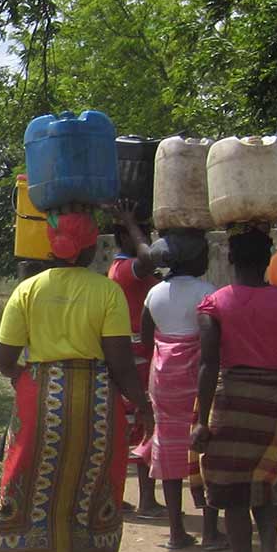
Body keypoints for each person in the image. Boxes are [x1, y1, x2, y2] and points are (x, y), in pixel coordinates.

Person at [0, 209, 152, 552]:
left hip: (42, 400)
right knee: (101, 490)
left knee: (50, 500)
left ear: (50, 246)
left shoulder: (28, 290)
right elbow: (121, 364)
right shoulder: (107, 292)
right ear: (90, 249)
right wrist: (144, 405)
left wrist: (29, 381)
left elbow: (4, 359)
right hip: (96, 400)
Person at [192, 229, 277, 552]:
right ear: (267, 261)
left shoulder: (215, 304)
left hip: (232, 398)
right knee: (265, 484)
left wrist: (202, 420)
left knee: (232, 495)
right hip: (273, 399)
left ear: (230, 258)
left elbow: (208, 365)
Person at [136, 230, 216, 550]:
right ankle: (211, 531)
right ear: (193, 260)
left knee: (168, 449)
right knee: (205, 450)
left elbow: (146, 337)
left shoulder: (154, 293)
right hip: (198, 380)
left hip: (163, 379)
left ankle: (176, 531)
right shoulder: (208, 291)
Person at [110, 206, 163, 517]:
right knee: (139, 427)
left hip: (141, 357)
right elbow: (149, 259)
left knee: (139, 428)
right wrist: (131, 222)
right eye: (141, 234)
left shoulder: (126, 269)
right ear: (123, 236)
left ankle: (139, 498)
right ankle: (141, 499)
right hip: (137, 360)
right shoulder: (125, 270)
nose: (147, 240)